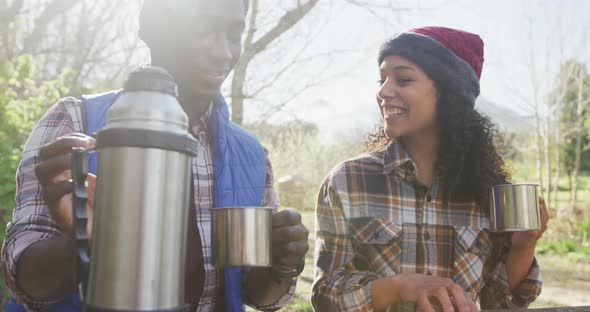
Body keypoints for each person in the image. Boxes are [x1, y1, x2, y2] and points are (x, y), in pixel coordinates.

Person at [2, 0, 309, 311]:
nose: (223, 52)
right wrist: (87, 243)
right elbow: (22, 278)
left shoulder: (251, 156)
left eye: (233, 34)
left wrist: (281, 264)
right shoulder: (74, 123)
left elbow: (255, 296)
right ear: (155, 28)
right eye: (205, 28)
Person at [311, 26, 547, 312]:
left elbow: (498, 303)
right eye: (382, 78)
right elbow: (325, 296)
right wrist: (397, 288)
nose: (383, 91)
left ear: (449, 92)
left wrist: (523, 246)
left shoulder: (488, 191)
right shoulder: (348, 181)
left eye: (403, 79)